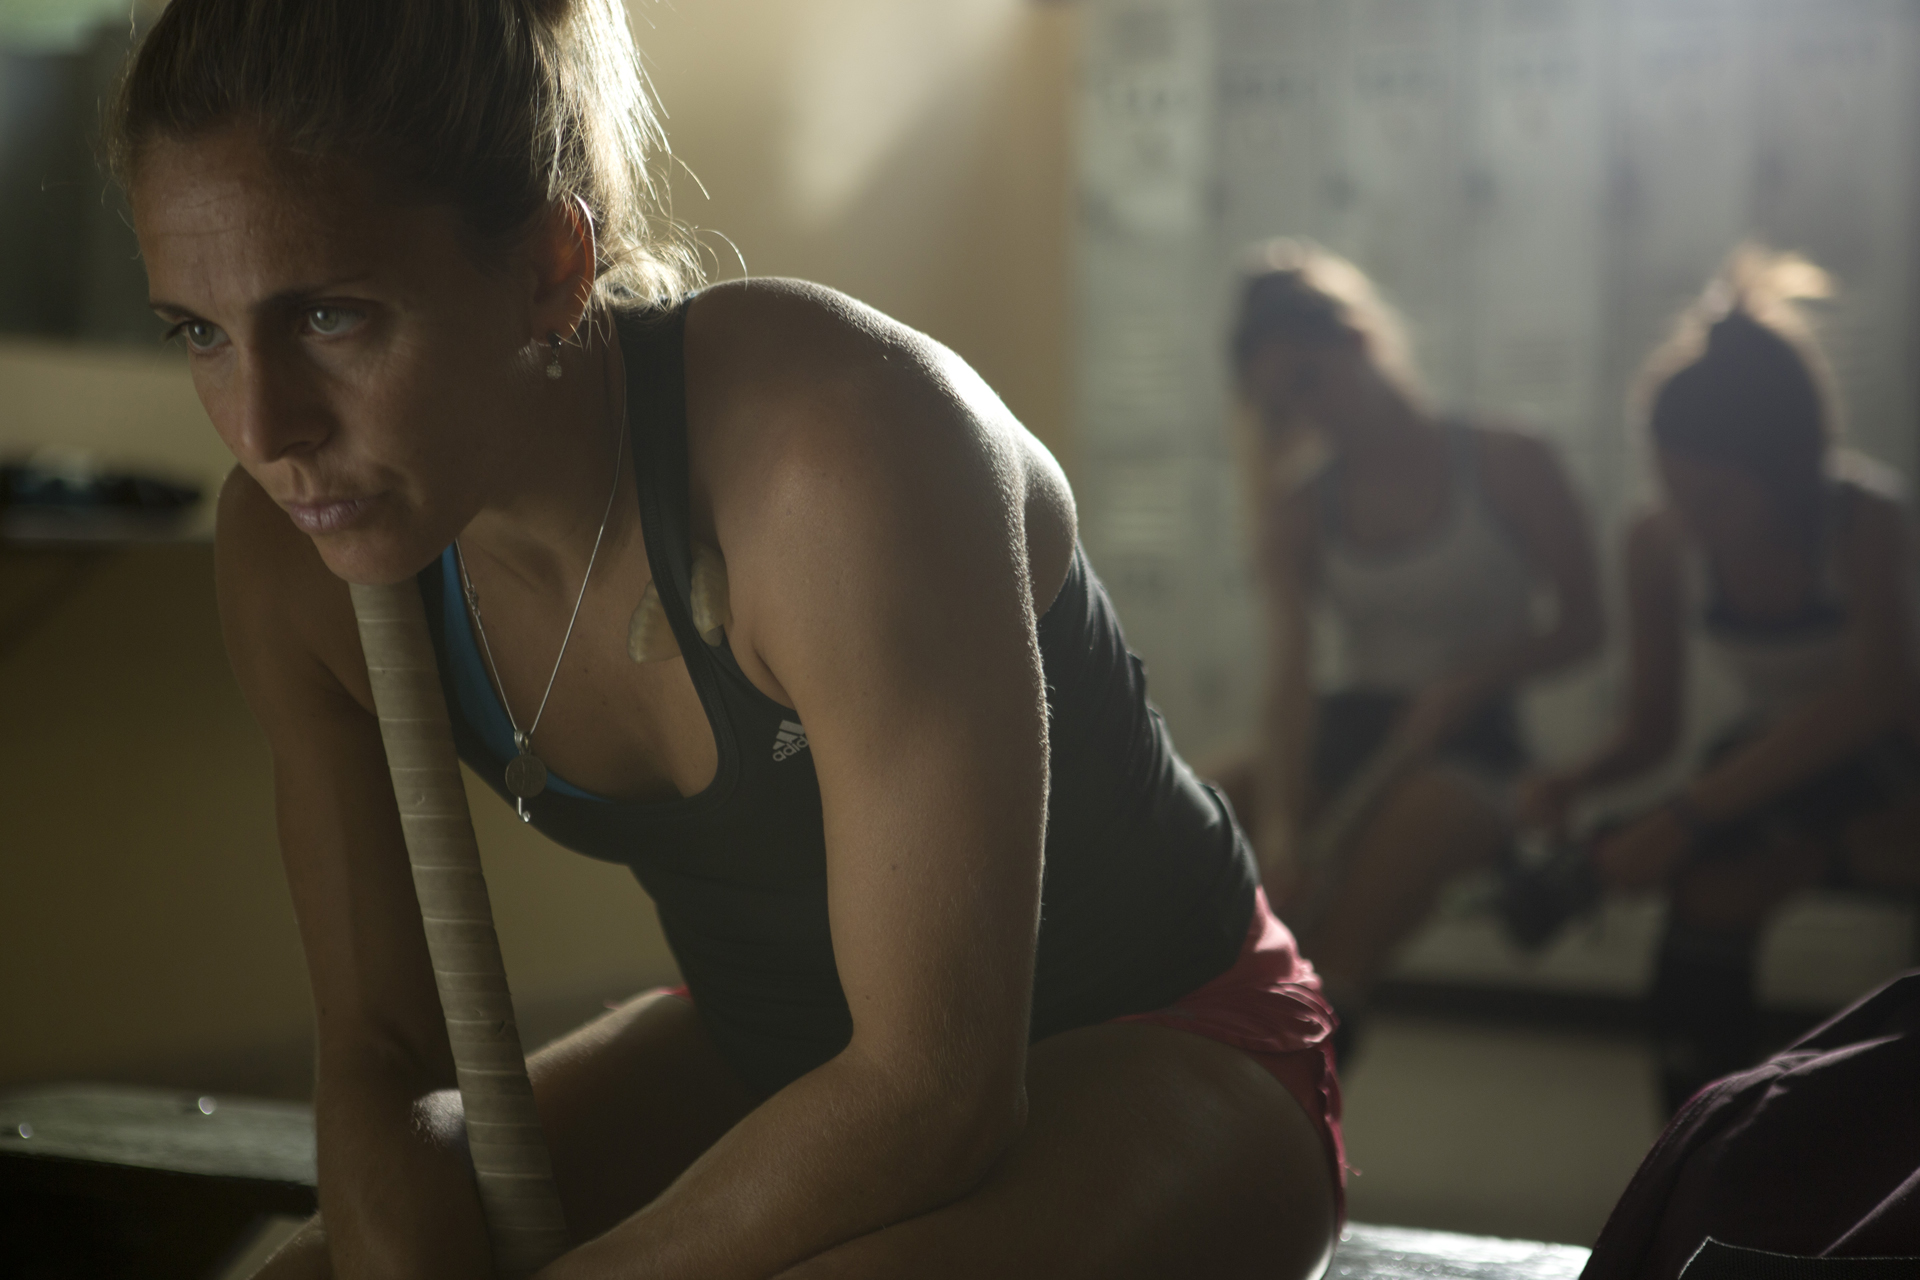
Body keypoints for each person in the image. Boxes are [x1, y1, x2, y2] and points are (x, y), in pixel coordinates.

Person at [114, 2, 1343, 1277]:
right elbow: (380, 1049)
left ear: (548, 265)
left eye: (329, 318)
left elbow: (933, 1094)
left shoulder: (835, 450)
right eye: (198, 330)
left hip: (1164, 1035)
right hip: (777, 1049)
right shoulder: (288, 551)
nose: (263, 428)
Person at [1517, 246, 1920, 1114]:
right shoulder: (1656, 543)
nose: (1693, 524)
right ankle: (1699, 1140)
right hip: (1775, 760)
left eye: (1718, 503)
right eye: (1675, 493)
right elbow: (1652, 724)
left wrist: (1686, 816)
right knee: (1704, 888)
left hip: (1890, 753)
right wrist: (1577, 781)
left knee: (1714, 843)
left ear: (1787, 470)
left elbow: (1875, 700)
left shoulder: (1866, 520)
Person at [1210, 240, 1603, 1055]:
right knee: (1199, 807)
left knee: (1337, 944)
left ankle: (1301, 1136)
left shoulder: (1509, 459)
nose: (1307, 417)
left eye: (1309, 382)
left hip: (1476, 738)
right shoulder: (1300, 510)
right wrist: (1281, 833)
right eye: (1283, 406)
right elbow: (1289, 679)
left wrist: (1474, 677)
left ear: (1358, 342)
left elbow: (1585, 626)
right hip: (1360, 725)